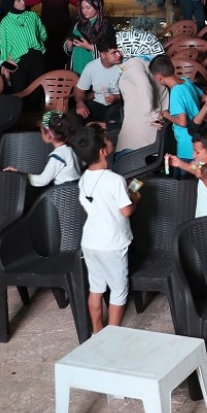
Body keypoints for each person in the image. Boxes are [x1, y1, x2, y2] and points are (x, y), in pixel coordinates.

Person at [71, 122, 136, 333]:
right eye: (108, 140)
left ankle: (97, 331)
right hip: (112, 243)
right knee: (118, 289)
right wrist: (135, 197)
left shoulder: (83, 179)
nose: (111, 142)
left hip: (90, 242)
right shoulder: (115, 180)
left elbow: (86, 205)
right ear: (102, 151)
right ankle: (113, 335)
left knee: (96, 288)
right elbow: (126, 211)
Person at [5, 111, 82, 186]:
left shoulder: (58, 155)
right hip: (75, 191)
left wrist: (21, 174)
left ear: (48, 135)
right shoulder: (72, 148)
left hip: (62, 194)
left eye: (41, 131)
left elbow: (42, 181)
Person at [0, 0, 47, 94]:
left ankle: (35, 110)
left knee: (37, 89)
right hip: (17, 59)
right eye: (18, 0)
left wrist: (37, 41)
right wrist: (4, 62)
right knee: (19, 89)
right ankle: (20, 110)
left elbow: (43, 33)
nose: (23, 2)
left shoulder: (33, 16)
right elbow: (3, 44)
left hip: (36, 56)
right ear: (10, 1)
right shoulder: (5, 22)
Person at [74, 33, 124, 128]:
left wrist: (116, 97)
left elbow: (133, 93)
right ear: (103, 55)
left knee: (113, 118)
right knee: (73, 117)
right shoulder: (91, 67)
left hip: (119, 104)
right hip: (98, 103)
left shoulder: (125, 66)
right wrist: (80, 103)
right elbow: (80, 90)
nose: (118, 55)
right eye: (114, 53)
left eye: (119, 52)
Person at [68, 0, 110, 75]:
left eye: (88, 7)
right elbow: (68, 45)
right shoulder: (77, 24)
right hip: (76, 68)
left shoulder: (105, 26)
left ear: (97, 7)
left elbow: (109, 51)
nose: (84, 11)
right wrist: (68, 45)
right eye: (82, 7)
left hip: (94, 71)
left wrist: (89, 47)